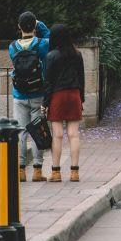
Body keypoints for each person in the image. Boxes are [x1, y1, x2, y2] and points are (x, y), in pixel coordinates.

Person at [8, 11, 50, 182]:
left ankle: (20, 170)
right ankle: (38, 170)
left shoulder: (12, 47)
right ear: (34, 26)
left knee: (21, 132)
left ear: (19, 27)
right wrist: (40, 25)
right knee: (37, 131)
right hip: (38, 93)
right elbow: (50, 36)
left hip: (19, 94)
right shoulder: (42, 44)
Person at [42, 23, 85, 182]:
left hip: (57, 97)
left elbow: (48, 82)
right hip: (74, 94)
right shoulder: (77, 54)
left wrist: (45, 103)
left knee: (57, 135)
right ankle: (74, 172)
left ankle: (56, 172)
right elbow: (82, 78)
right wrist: (82, 99)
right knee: (74, 134)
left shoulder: (51, 56)